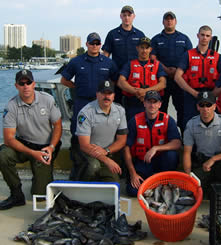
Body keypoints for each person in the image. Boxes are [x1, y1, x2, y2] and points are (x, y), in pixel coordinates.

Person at [0, 70, 62, 210]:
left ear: (33, 84)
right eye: (22, 83)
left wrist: (51, 147)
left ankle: (40, 176)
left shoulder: (47, 99)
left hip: (45, 147)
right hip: (24, 145)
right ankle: (16, 194)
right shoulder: (11, 106)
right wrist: (32, 153)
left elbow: (58, 125)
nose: (25, 86)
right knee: (3, 154)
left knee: (40, 197)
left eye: (28, 82)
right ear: (16, 86)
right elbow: (9, 139)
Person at [60, 32, 118, 180]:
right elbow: (64, 80)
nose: (94, 46)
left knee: (103, 132)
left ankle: (101, 168)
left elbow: (115, 81)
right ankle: (78, 169)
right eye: (92, 43)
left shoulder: (108, 63)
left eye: (97, 43)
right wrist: (76, 87)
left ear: (101, 45)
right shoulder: (76, 61)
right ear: (86, 44)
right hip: (82, 102)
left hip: (101, 103)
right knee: (77, 133)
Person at [183, 91, 221, 197]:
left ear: (214, 106)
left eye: (208, 105)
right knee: (191, 190)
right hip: (204, 164)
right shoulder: (191, 124)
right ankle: (208, 189)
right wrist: (188, 175)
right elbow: (187, 152)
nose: (205, 109)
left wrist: (214, 159)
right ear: (197, 107)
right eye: (202, 105)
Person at [124, 90, 181, 196]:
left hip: (161, 160)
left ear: (160, 104)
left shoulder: (167, 120)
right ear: (144, 103)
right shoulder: (135, 120)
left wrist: (156, 148)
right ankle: (154, 186)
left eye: (155, 102)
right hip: (143, 162)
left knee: (171, 155)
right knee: (133, 191)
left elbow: (177, 143)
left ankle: (164, 181)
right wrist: (133, 174)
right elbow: (127, 148)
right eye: (149, 102)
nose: (152, 105)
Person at [75, 80, 128, 181]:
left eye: (109, 93)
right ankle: (81, 186)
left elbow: (122, 140)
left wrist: (106, 151)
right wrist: (106, 159)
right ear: (97, 94)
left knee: (113, 184)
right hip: (88, 152)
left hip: (107, 152)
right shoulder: (86, 113)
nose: (106, 96)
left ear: (114, 96)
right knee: (93, 167)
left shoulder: (120, 111)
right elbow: (84, 145)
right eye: (103, 93)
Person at [175, 25, 221, 131]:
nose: (204, 38)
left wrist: (215, 93)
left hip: (210, 95)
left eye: (207, 36)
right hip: (191, 96)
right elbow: (177, 77)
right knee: (189, 124)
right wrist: (194, 93)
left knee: (210, 125)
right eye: (202, 35)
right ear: (198, 36)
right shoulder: (188, 55)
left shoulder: (216, 56)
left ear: (211, 38)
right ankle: (188, 146)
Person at [151, 11, 193, 132]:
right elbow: (153, 57)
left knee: (181, 108)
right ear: (163, 22)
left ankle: (184, 138)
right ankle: (161, 134)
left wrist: (178, 70)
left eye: (171, 19)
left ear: (175, 21)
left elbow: (189, 57)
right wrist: (165, 69)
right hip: (162, 79)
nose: (169, 21)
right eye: (167, 19)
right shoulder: (156, 39)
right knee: (161, 108)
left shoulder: (184, 39)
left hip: (179, 80)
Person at [102, 5, 145, 104]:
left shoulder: (140, 35)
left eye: (129, 15)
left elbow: (144, 55)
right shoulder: (112, 34)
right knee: (116, 105)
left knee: (135, 106)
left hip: (135, 77)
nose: (126, 18)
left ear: (133, 16)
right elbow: (106, 56)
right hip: (117, 77)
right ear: (120, 16)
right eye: (124, 15)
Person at [118, 37, 167, 121]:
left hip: (152, 103)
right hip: (133, 102)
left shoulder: (157, 65)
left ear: (150, 49)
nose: (144, 51)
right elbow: (120, 82)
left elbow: (163, 83)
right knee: (132, 127)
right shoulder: (130, 64)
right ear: (137, 48)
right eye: (142, 48)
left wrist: (146, 92)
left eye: (147, 48)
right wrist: (136, 92)